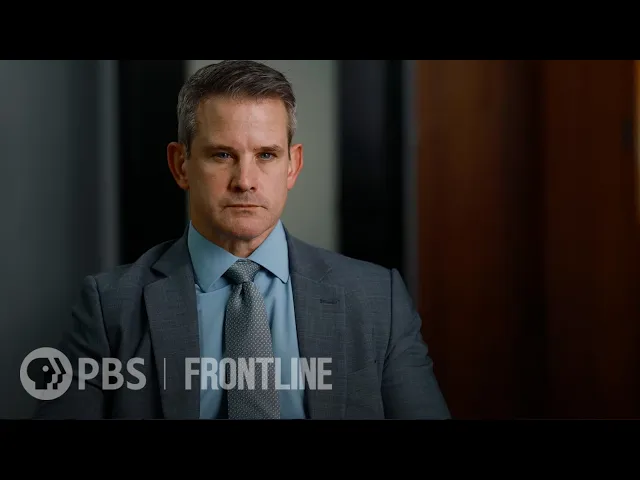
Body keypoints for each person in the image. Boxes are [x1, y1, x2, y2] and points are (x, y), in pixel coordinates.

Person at [33, 60, 450, 420]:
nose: (245, 181)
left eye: (266, 155)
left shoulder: (378, 300)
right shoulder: (111, 307)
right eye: (222, 155)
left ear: (293, 165)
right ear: (180, 165)